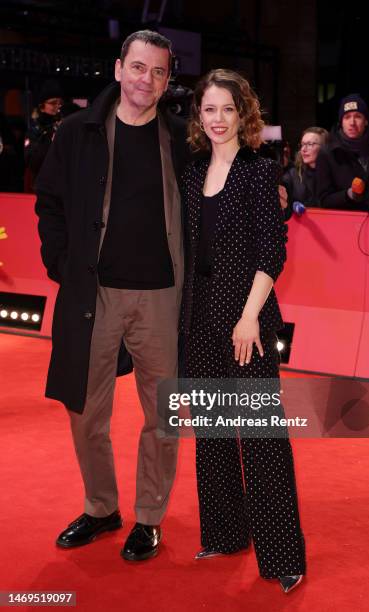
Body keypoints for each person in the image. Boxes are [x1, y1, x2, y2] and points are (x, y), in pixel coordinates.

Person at [35, 30, 189, 561]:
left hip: (163, 297)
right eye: (139, 67)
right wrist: (62, 264)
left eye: (159, 72)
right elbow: (49, 203)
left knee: (163, 414)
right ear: (120, 67)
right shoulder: (77, 133)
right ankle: (101, 506)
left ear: (168, 81)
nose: (148, 79)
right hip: (92, 296)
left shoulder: (181, 139)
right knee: (85, 410)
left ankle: (148, 517)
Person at [180, 69, 306, 593]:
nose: (217, 119)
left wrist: (250, 316)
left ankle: (282, 556)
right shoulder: (191, 172)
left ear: (243, 113)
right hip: (198, 316)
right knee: (210, 434)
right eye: (208, 109)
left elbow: (271, 251)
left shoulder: (259, 170)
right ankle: (226, 535)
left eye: (227, 109)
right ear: (199, 116)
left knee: (261, 436)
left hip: (246, 317)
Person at [316, 93, 369, 211]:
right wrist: (349, 195)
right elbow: (324, 199)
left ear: (366, 121)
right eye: (347, 117)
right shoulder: (327, 153)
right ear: (341, 122)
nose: (352, 122)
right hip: (345, 222)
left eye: (358, 116)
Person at [24, 80, 64, 191]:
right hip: (42, 185)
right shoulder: (35, 129)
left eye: (59, 103)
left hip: (62, 184)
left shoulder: (63, 124)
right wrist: (49, 140)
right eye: (53, 103)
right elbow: (32, 162)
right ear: (42, 106)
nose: (57, 106)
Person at [282, 126, 328, 219]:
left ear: (325, 147)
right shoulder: (292, 175)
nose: (303, 149)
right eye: (302, 144)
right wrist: (291, 206)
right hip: (303, 228)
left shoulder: (335, 174)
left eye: (310, 144)